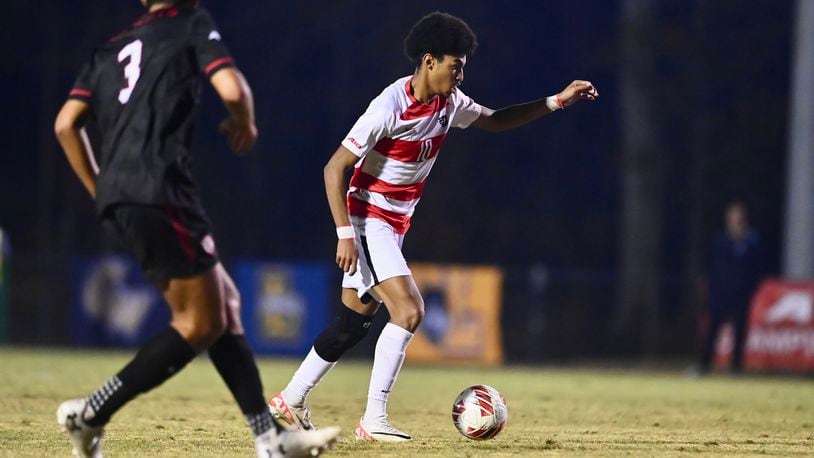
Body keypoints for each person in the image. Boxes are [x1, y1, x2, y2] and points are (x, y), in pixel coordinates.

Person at [268, 11, 598, 441]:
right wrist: (345, 234)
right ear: (429, 61)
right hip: (368, 217)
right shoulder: (389, 106)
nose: (460, 75)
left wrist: (556, 101)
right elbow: (335, 168)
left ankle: (289, 401)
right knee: (409, 310)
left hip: (393, 223)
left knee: (352, 324)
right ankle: (374, 420)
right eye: (455, 65)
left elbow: (495, 119)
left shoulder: (449, 103)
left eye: (462, 67)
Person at [53, 1, 340, 456]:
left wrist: (100, 189)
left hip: (123, 194)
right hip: (162, 190)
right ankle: (91, 414)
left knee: (224, 302)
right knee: (198, 323)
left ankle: (270, 439)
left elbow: (66, 124)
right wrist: (244, 122)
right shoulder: (190, 23)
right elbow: (233, 89)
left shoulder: (110, 47)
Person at [698, 201, 764, 374]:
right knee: (713, 329)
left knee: (739, 331)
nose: (735, 219)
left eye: (738, 216)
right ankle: (704, 365)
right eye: (732, 215)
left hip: (740, 294)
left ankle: (736, 367)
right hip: (719, 293)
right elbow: (710, 266)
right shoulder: (720, 240)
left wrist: (750, 289)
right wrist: (710, 287)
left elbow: (757, 268)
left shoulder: (751, 242)